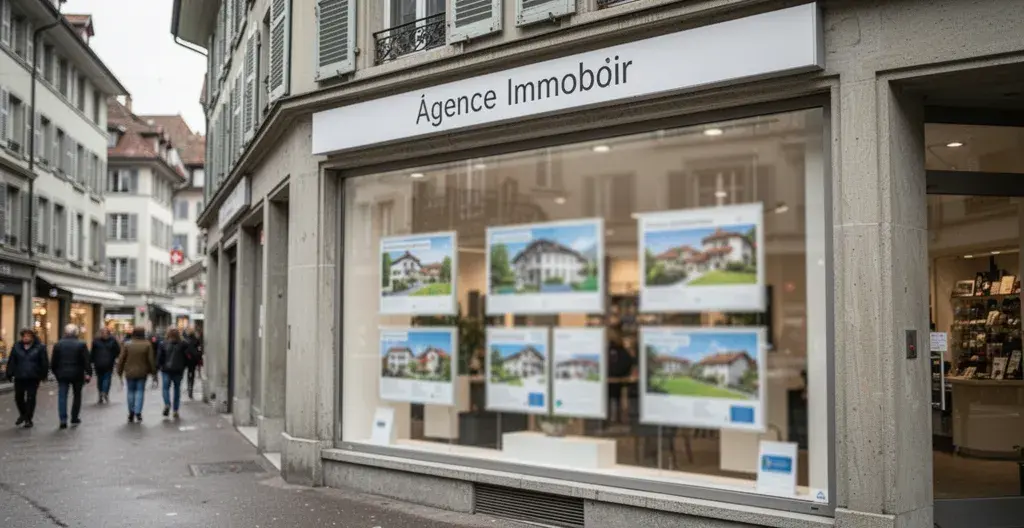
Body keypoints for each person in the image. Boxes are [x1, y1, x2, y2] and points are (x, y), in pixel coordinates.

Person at [50, 324, 92, 429]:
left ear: (65, 332)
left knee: (62, 396)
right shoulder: (81, 344)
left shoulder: (58, 344)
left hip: (62, 374)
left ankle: (63, 420)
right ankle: (74, 417)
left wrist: (56, 373)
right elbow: (86, 361)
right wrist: (88, 373)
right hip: (77, 374)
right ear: (76, 333)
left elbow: (53, 362)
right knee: (77, 396)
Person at [6, 329, 48, 428]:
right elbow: (12, 360)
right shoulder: (16, 346)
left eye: (28, 336)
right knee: (18, 397)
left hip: (33, 377)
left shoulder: (40, 347)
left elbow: (44, 362)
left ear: (32, 337)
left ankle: (28, 419)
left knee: (31, 397)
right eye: (24, 336)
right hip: (20, 376)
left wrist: (43, 375)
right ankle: (23, 414)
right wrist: (9, 373)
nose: (26, 338)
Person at [116, 327, 157, 423]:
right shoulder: (147, 344)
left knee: (130, 391)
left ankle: (131, 412)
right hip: (142, 372)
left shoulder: (127, 344)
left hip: (129, 372)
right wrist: (153, 372)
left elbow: (121, 359)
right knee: (140, 391)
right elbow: (151, 360)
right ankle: (138, 412)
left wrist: (119, 371)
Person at [156, 327, 190, 419]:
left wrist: (158, 367)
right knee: (177, 390)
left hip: (166, 370)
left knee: (165, 388)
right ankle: (175, 410)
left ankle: (167, 403)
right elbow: (187, 357)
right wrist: (184, 366)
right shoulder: (183, 344)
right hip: (178, 370)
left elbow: (160, 358)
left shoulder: (163, 344)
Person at [90, 328, 121, 404]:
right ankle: (104, 392)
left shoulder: (96, 341)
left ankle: (101, 394)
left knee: (100, 379)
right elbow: (118, 350)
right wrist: (114, 357)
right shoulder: (113, 340)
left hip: (98, 363)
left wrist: (91, 361)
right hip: (108, 363)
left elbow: (92, 352)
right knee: (107, 378)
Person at [183, 327, 203, 400]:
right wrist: (199, 358)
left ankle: (189, 387)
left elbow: (184, 350)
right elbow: (199, 349)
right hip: (194, 359)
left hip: (188, 359)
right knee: (192, 373)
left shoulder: (186, 340)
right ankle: (190, 387)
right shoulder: (196, 340)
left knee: (189, 373)